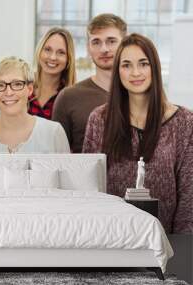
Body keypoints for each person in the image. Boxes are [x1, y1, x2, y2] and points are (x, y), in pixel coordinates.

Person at [83, 33, 193, 234]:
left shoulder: (184, 121)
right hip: (110, 238)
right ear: (118, 72)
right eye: (126, 65)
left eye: (143, 63)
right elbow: (90, 189)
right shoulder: (99, 119)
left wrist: (182, 248)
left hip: (167, 242)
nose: (135, 72)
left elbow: (189, 195)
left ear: (155, 68)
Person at [0, 56, 70, 153]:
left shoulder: (53, 133)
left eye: (17, 84)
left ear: (30, 89)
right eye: (0, 85)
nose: (8, 92)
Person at [52, 13, 127, 153]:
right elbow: (56, 158)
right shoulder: (68, 97)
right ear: (88, 48)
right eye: (96, 42)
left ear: (124, 44)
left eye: (111, 41)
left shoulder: (140, 95)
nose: (104, 49)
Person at [28, 27, 76, 120]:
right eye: (47, 49)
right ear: (39, 51)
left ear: (68, 59)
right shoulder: (22, 85)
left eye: (61, 52)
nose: (53, 57)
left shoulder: (72, 97)